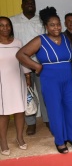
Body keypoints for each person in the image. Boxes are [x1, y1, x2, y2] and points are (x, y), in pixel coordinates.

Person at [16, 7, 72, 154]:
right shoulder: (40, 40)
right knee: (55, 110)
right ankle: (60, 141)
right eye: (52, 24)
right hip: (50, 80)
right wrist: (36, 66)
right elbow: (21, 54)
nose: (56, 27)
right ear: (46, 26)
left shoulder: (66, 38)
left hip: (68, 79)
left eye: (58, 24)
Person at [10, 0, 49, 136]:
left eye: (32, 3)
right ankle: (31, 123)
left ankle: (47, 120)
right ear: (22, 5)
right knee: (26, 95)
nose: (29, 5)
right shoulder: (13, 21)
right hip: (20, 64)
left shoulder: (41, 21)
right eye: (26, 3)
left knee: (43, 93)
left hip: (39, 64)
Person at [0, 17, 28, 156]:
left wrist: (27, 76)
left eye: (7, 25)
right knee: (3, 114)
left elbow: (22, 60)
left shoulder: (18, 42)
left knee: (19, 111)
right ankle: (3, 142)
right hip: (2, 84)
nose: (5, 28)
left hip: (17, 81)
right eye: (2, 25)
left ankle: (19, 137)